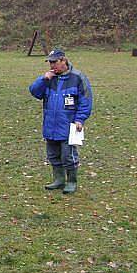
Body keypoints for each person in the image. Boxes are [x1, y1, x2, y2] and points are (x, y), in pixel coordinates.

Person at [28, 49, 93, 194]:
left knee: (68, 155)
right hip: (50, 124)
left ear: (64, 61)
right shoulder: (49, 79)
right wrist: (43, 79)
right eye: (50, 62)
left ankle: (71, 181)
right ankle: (58, 180)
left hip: (68, 125)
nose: (52, 66)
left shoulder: (78, 77)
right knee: (53, 155)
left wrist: (80, 119)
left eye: (54, 62)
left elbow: (85, 100)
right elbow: (34, 92)